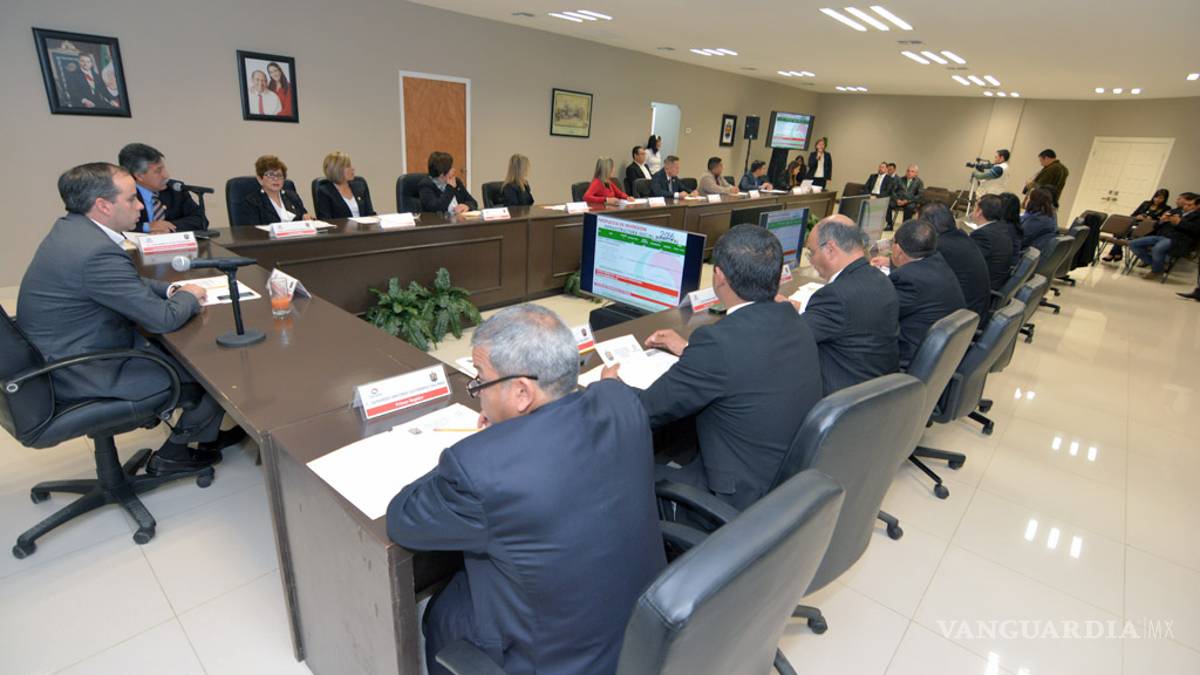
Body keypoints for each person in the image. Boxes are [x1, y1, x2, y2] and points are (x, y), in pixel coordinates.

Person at [387, 304, 665, 675]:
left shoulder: (480, 466)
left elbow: (402, 519)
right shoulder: (620, 401)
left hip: (554, 662)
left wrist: (481, 447)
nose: (478, 394)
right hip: (641, 634)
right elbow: (603, 391)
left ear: (522, 392)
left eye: (480, 381)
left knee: (443, 612)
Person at [16, 163, 244, 476]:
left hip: (58, 352)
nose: (140, 206)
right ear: (103, 205)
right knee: (213, 370)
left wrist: (170, 289)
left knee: (187, 353)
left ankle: (207, 438)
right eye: (131, 198)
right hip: (82, 368)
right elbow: (163, 320)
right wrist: (189, 296)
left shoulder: (73, 231)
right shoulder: (94, 251)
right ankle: (173, 456)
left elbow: (123, 281)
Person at [604, 224, 823, 511]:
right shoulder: (795, 320)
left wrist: (610, 386)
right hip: (783, 483)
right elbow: (748, 362)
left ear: (719, 276)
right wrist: (689, 350)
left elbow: (646, 410)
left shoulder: (719, 343)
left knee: (616, 473)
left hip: (735, 497)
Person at [791, 215, 900, 394]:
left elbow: (792, 337)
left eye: (812, 252)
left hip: (841, 394)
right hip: (876, 389)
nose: (811, 260)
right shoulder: (880, 279)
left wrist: (780, 311)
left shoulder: (835, 295)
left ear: (830, 249)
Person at [873, 220, 966, 365]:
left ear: (897, 249)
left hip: (908, 356)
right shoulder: (938, 262)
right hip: (939, 356)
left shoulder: (908, 280)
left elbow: (877, 312)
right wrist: (892, 263)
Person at [919, 203, 992, 321]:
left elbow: (918, 276)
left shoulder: (939, 246)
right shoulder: (962, 237)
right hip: (975, 311)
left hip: (960, 316)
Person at [117, 143, 209, 233]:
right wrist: (147, 227)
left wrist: (167, 227)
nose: (166, 175)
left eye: (163, 168)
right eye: (158, 171)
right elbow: (115, 226)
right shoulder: (122, 194)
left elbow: (200, 220)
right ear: (139, 176)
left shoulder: (175, 189)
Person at [1128, 192, 1200, 281]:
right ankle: (1158, 266)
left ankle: (1156, 270)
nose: (1185, 206)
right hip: (1162, 236)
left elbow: (1195, 230)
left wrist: (1179, 222)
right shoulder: (1175, 211)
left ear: (1196, 206)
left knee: (1158, 248)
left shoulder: (1197, 216)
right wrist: (1161, 221)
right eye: (1185, 204)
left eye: (1189, 205)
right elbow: (1156, 226)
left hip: (1179, 240)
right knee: (1133, 244)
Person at [235, 155, 309, 226]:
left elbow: (306, 217)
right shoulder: (252, 202)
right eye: (270, 175)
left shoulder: (292, 196)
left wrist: (306, 218)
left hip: (296, 234)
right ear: (260, 179)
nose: (276, 179)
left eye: (279, 175)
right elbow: (253, 230)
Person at [969, 194, 1018, 291]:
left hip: (982, 288)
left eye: (974, 208)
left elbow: (968, 263)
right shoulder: (1000, 229)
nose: (972, 211)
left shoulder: (983, 235)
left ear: (979, 212)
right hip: (996, 282)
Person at [1105, 188, 1170, 262]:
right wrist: (1137, 217)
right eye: (1156, 197)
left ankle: (1113, 253)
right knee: (1120, 232)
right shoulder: (1146, 203)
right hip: (1135, 225)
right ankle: (1117, 252)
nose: (1157, 200)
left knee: (1124, 234)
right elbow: (1132, 215)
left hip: (1147, 230)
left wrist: (1150, 220)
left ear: (1164, 199)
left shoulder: (1166, 208)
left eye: (1160, 198)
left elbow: (1161, 222)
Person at [314, 151, 375, 220]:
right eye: (348, 166)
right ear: (337, 170)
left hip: (365, 226)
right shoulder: (324, 191)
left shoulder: (360, 185)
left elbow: (370, 213)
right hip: (340, 227)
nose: (353, 168)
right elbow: (326, 220)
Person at [1020, 187, 1058, 253]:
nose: (1026, 200)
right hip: (1037, 251)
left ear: (1034, 201)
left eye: (1028, 198)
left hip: (1026, 253)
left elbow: (1020, 240)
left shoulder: (1037, 219)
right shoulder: (1049, 215)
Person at [888, 164, 925, 229]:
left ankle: (904, 227)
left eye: (912, 171)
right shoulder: (900, 179)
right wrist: (897, 199)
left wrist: (907, 201)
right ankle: (889, 224)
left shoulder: (919, 182)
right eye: (908, 171)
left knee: (909, 208)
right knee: (888, 205)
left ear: (916, 173)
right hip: (899, 200)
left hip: (910, 201)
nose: (909, 173)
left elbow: (920, 195)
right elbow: (893, 191)